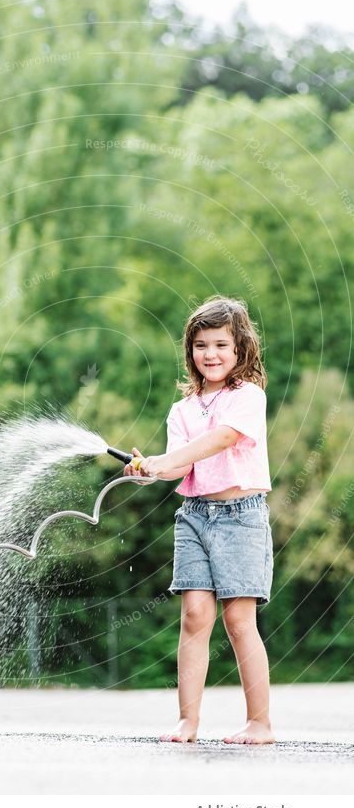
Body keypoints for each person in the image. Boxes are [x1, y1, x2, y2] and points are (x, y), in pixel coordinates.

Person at [124, 295, 274, 745]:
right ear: (190, 350)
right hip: (193, 517)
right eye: (201, 345)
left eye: (221, 345)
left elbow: (221, 440)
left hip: (241, 518)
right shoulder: (182, 409)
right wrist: (147, 469)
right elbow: (177, 468)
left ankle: (260, 724)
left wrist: (168, 458)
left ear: (240, 349)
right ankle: (188, 720)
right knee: (193, 615)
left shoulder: (247, 397)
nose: (210, 354)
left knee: (239, 621)